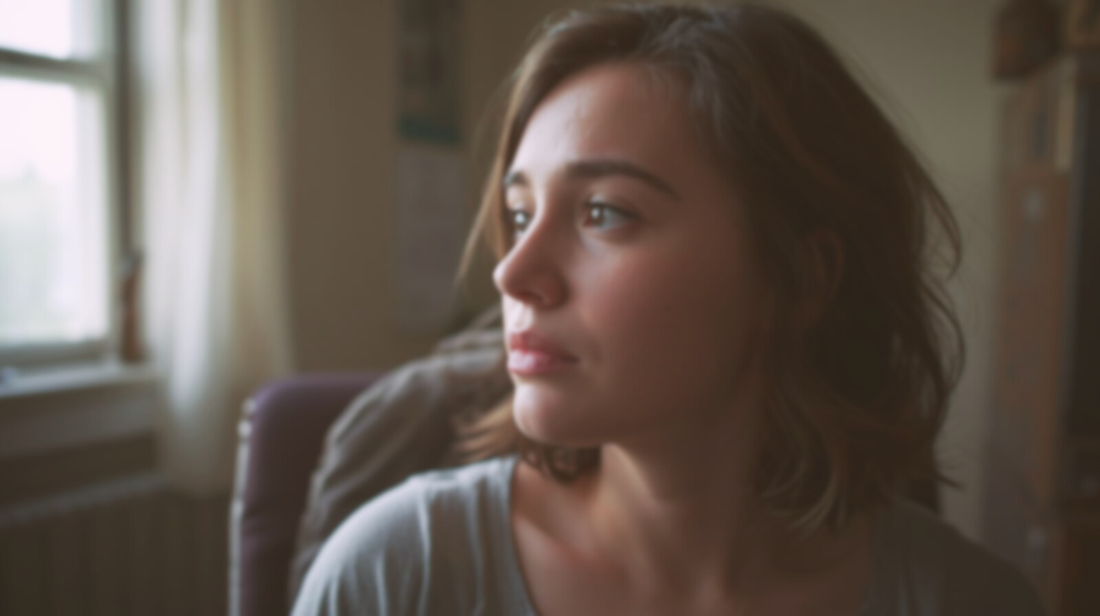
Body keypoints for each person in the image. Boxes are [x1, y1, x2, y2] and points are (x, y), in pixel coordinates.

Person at [292, 3, 1046, 615]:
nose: (513, 272)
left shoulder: (973, 600)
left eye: (604, 213)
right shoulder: (397, 576)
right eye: (520, 216)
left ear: (798, 280)